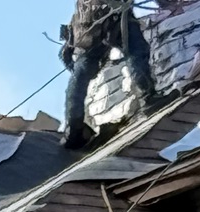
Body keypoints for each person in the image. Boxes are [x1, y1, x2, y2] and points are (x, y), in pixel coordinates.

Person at [62, 1, 160, 151]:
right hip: (110, 15)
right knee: (135, 49)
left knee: (81, 75)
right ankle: (147, 99)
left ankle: (74, 130)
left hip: (87, 24)